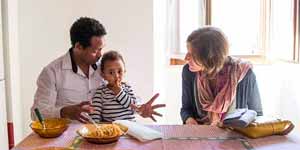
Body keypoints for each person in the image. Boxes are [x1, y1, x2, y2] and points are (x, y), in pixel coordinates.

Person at [31, 17, 165, 123]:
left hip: (106, 136)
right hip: (69, 138)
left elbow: (124, 95)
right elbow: (37, 114)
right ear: (78, 46)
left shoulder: (106, 67)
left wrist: (141, 109)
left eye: (102, 49)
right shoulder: (52, 72)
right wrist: (64, 112)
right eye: (96, 50)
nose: (101, 55)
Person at [181, 26, 263, 125]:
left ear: (210, 58)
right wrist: (189, 120)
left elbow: (257, 114)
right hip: (199, 133)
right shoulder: (189, 72)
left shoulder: (245, 74)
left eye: (192, 55)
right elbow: (186, 110)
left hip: (234, 137)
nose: (186, 58)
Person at [90, 50, 138, 122]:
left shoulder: (127, 87)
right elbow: (95, 114)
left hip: (130, 128)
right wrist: (95, 127)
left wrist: (119, 92)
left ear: (124, 72)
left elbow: (134, 108)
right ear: (103, 75)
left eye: (119, 71)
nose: (116, 76)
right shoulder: (100, 92)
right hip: (111, 129)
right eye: (111, 72)